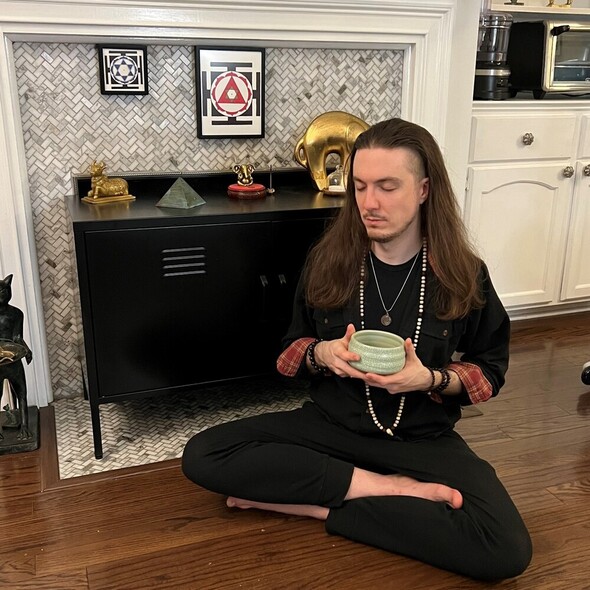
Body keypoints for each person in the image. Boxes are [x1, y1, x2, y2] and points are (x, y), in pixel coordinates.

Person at [182, 118, 532, 581]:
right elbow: (290, 353)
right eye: (361, 186)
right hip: (331, 426)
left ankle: (319, 507)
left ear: (424, 189)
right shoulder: (330, 262)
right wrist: (322, 354)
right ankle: (385, 489)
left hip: (420, 440)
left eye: (388, 186)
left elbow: (489, 372)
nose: (369, 202)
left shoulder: (463, 273)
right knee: (204, 454)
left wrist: (429, 379)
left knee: (505, 550)